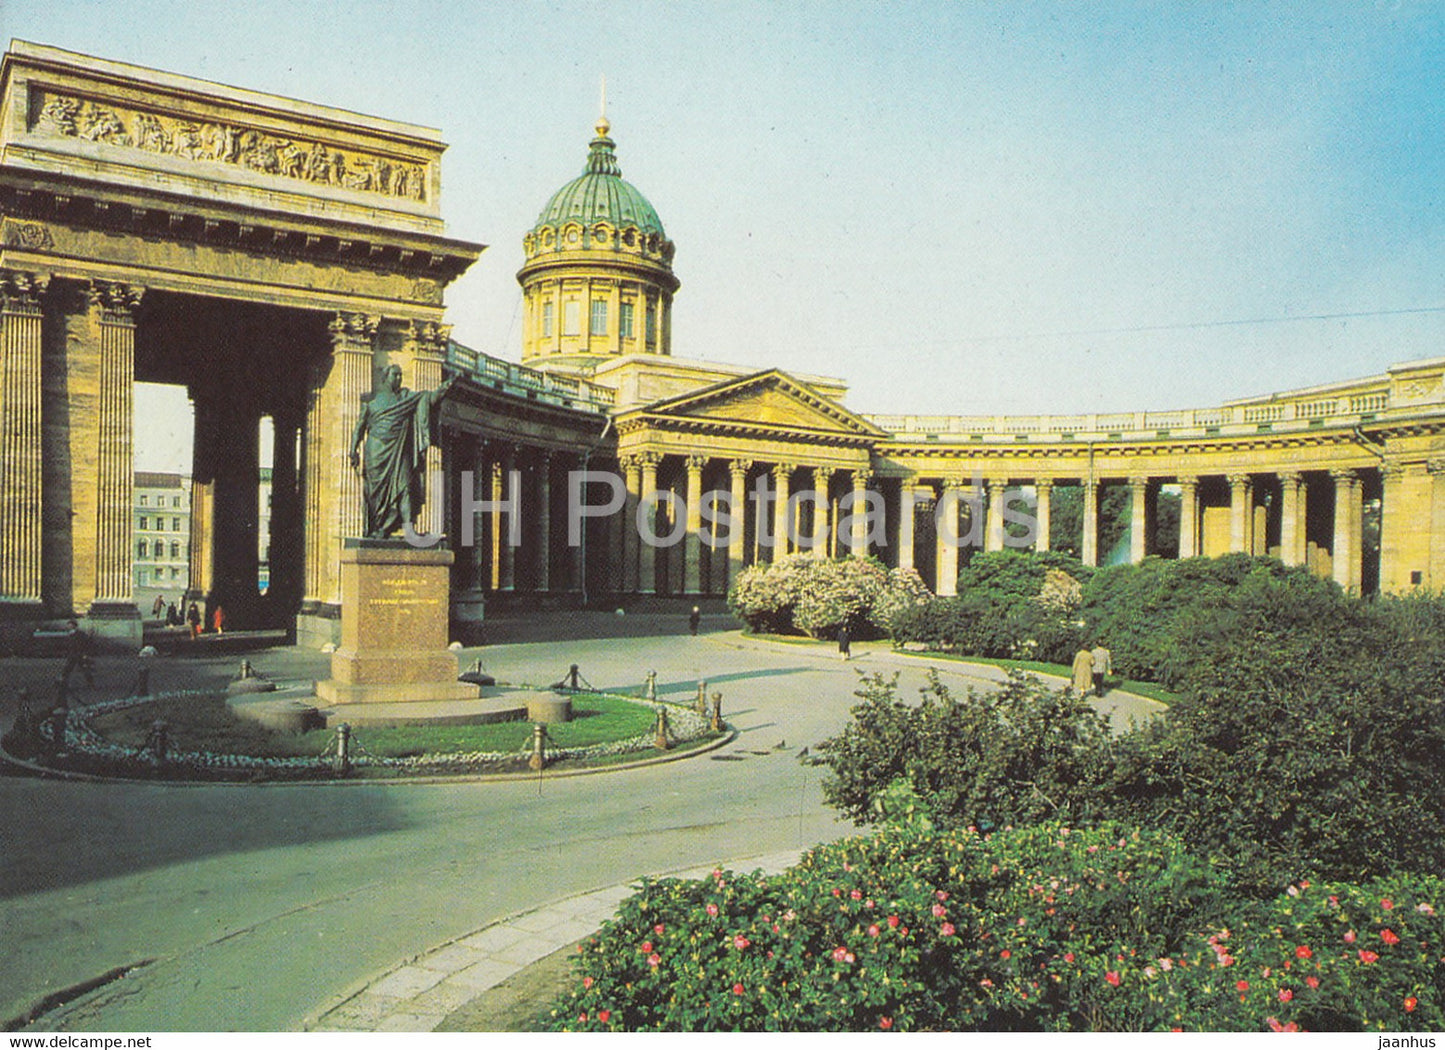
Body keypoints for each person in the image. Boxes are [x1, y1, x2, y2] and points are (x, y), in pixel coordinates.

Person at [349, 364, 457, 539]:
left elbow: (428, 399)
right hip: (376, 452)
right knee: (376, 494)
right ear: (386, 377)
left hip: (400, 450)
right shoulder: (370, 402)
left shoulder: (406, 397)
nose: (399, 379)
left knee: (405, 486)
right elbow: (359, 428)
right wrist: (353, 450)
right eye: (395, 375)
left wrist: (443, 388)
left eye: (400, 376)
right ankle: (381, 527)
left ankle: (409, 529)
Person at [61, 619, 95, 689]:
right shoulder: (69, 634)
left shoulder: (79, 633)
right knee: (67, 670)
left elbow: (86, 641)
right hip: (72, 654)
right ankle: (63, 683)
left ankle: (91, 683)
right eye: (69, 624)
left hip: (79, 654)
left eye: (70, 624)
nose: (69, 626)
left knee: (84, 669)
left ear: (74, 625)